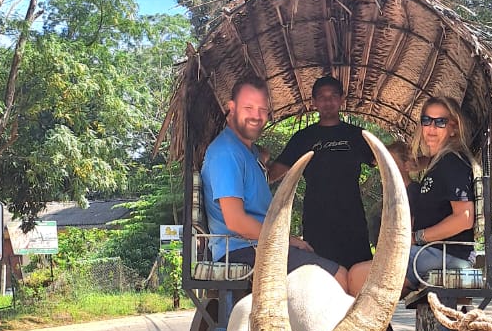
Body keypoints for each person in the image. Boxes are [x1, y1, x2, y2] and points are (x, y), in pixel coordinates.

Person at [201, 75, 349, 290]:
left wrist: (263, 155)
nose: (256, 116)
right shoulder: (227, 153)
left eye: (262, 110)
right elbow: (236, 221)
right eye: (248, 108)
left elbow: (263, 166)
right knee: (338, 277)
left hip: (257, 244)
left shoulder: (247, 150)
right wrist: (286, 239)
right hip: (241, 249)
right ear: (231, 108)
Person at [349, 95, 477, 295]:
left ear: (453, 128)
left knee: (357, 275)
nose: (431, 128)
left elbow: (464, 218)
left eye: (440, 122)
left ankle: (379, 325)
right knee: (360, 271)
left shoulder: (452, 162)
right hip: (431, 252)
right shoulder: (438, 164)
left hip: (447, 255)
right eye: (426, 120)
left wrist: (417, 237)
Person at [270, 75, 374, 268]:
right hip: (316, 220)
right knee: (320, 276)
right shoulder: (303, 138)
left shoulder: (357, 135)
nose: (328, 102)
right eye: (322, 97)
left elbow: (386, 161)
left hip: (353, 219)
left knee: (358, 273)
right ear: (314, 102)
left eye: (333, 96)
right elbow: (274, 172)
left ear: (342, 99)